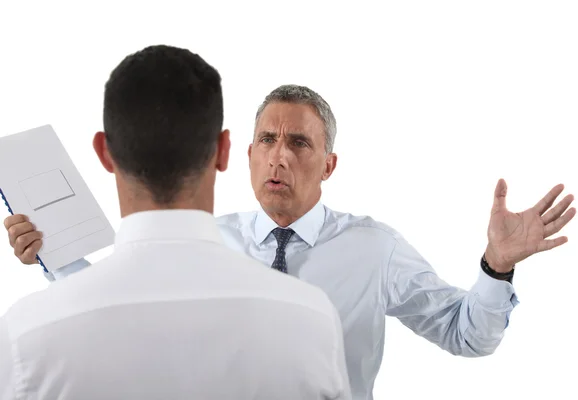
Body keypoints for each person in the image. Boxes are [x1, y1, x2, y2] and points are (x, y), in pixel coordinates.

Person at [4, 84, 576, 400]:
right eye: (267, 139)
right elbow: (123, 313)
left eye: (298, 143)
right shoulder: (208, 237)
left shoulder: (374, 248)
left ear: (328, 164)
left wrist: (496, 267)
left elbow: (467, 335)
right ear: (246, 156)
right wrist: (54, 258)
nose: (279, 154)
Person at [0, 48, 352, 400]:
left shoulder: (27, 334)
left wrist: (61, 264)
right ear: (226, 150)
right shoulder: (312, 319)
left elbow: (110, 302)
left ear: (105, 152)